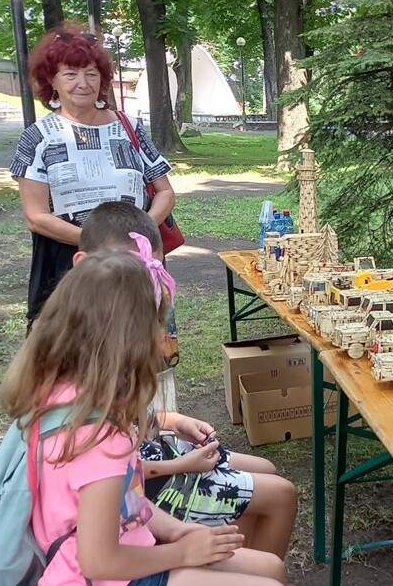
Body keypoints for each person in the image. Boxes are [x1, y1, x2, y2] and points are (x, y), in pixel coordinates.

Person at [0, 251, 306, 586]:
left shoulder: (67, 398)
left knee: (271, 569)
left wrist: (176, 530)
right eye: (156, 329)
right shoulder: (99, 440)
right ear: (129, 342)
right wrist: (181, 552)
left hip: (112, 571)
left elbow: (130, 504)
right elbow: (99, 561)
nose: (162, 340)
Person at [77, 201, 299, 559]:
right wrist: (182, 465)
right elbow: (110, 469)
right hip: (149, 486)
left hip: (155, 456)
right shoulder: (92, 363)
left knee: (266, 469)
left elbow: (128, 422)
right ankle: (248, 584)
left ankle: (236, 573)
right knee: (281, 494)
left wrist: (174, 421)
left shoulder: (111, 340)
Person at [9, 22, 175, 332]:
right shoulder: (38, 138)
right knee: (79, 358)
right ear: (52, 81)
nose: (82, 83)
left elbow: (165, 191)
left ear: (102, 80)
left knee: (143, 352)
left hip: (137, 264)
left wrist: (138, 236)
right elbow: (35, 216)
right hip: (72, 266)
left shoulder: (130, 127)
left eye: (91, 73)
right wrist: (103, 245)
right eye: (70, 74)